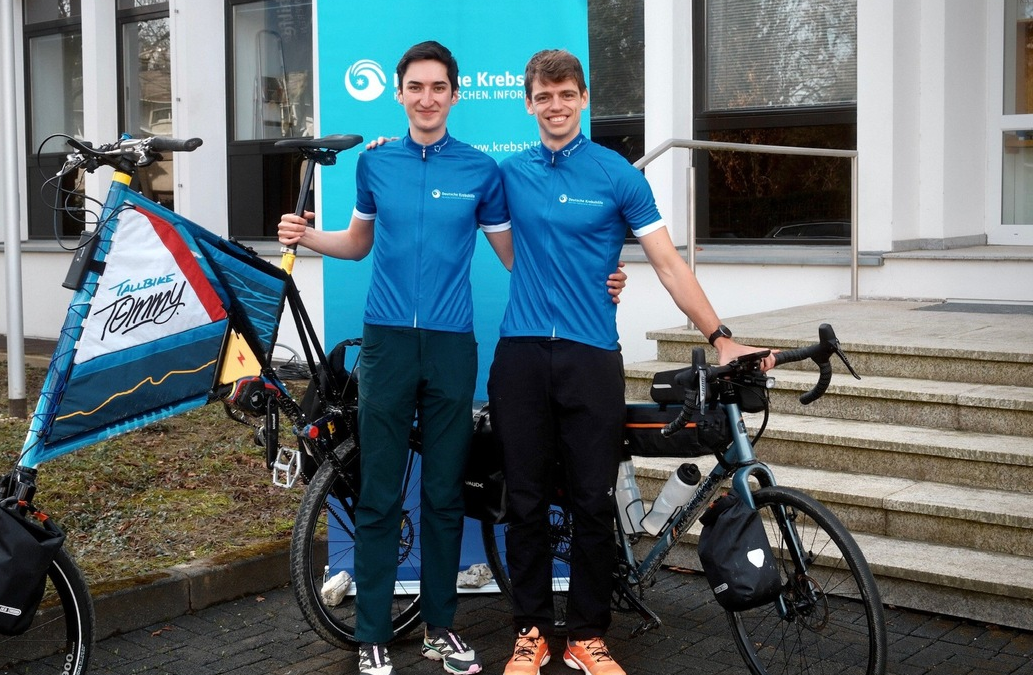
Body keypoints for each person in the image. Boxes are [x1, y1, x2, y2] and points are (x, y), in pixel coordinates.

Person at [278, 41, 626, 675]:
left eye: (439, 87)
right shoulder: (373, 165)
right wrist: (309, 237)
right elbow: (357, 245)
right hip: (385, 343)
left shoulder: (481, 173)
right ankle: (374, 632)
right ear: (401, 92)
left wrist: (601, 275)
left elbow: (523, 256)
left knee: (442, 495)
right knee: (381, 491)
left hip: (452, 346)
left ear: (455, 94)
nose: (428, 97)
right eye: (417, 87)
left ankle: (442, 629)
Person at [488, 49, 775, 675]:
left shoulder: (617, 174)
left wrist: (722, 336)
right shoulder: (509, 175)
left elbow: (669, 265)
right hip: (523, 355)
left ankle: (589, 635)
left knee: (592, 500)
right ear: (529, 102)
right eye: (544, 95)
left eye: (567, 94)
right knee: (528, 501)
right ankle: (531, 632)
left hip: (592, 357)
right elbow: (511, 252)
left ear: (584, 99)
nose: (556, 105)